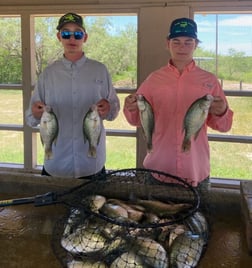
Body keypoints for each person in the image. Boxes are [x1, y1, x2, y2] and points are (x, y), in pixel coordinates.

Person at [123, 17, 233, 188]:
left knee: (198, 215)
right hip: (158, 169)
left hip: (195, 170)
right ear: (168, 44)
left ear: (196, 44)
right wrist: (130, 107)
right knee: (155, 215)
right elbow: (136, 120)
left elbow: (224, 126)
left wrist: (222, 111)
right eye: (176, 42)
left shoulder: (209, 80)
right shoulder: (153, 79)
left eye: (188, 42)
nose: (182, 47)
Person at [26, 12, 120, 179]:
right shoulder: (48, 74)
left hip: (92, 164)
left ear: (85, 37)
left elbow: (113, 111)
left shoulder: (100, 70)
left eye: (77, 33)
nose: (72, 39)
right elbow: (30, 119)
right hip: (56, 164)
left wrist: (108, 108)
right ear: (58, 37)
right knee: (54, 207)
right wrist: (35, 113)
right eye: (66, 33)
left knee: (93, 205)